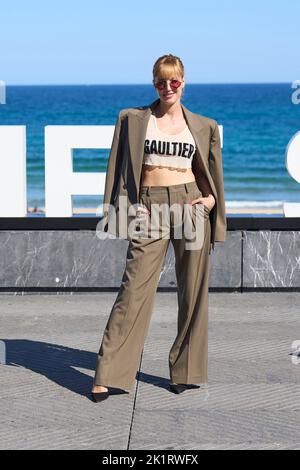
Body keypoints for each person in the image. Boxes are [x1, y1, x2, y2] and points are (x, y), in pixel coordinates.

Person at [91, 54, 227, 402]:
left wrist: (210, 203)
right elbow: (118, 169)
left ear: (183, 83)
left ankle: (186, 371)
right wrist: (125, 209)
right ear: (154, 83)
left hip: (190, 206)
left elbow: (209, 172)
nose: (168, 87)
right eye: (161, 81)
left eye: (174, 81)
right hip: (149, 208)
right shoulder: (134, 119)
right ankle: (109, 374)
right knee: (133, 289)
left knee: (193, 292)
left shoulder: (203, 125)